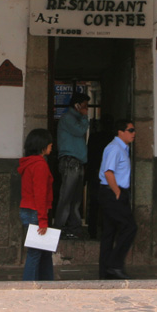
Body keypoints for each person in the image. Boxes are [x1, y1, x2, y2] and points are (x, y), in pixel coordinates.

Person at [97, 119, 137, 280]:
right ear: (121, 132)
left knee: (110, 232)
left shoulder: (122, 148)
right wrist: (117, 192)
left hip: (113, 192)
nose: (134, 134)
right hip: (112, 192)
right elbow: (108, 172)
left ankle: (106, 270)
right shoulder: (115, 148)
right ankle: (114, 264)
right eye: (131, 130)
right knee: (130, 227)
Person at [17, 128, 55, 281]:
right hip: (35, 211)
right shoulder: (40, 165)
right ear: (42, 145)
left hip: (29, 210)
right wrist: (43, 220)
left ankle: (46, 282)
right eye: (49, 143)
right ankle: (29, 285)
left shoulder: (30, 163)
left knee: (44, 250)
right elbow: (40, 194)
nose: (51, 146)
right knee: (35, 252)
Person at [53, 92, 89, 238]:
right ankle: (58, 229)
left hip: (78, 163)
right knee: (66, 198)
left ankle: (74, 228)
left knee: (75, 200)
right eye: (85, 106)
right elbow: (80, 131)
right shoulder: (68, 118)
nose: (86, 109)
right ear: (77, 105)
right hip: (70, 162)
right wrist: (85, 117)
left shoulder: (76, 119)